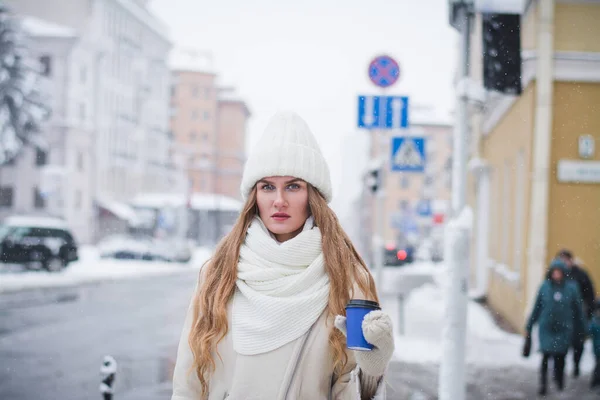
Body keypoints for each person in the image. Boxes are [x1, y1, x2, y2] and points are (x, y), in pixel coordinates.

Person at [171, 111, 395, 400]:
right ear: (255, 196)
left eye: (293, 186)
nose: (279, 200)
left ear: (313, 196)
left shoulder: (348, 279)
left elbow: (349, 388)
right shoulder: (219, 273)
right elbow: (188, 382)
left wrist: (373, 369)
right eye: (267, 187)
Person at [526, 258, 586, 396]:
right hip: (547, 327)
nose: (556, 274)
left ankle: (559, 380)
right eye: (554, 272)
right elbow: (537, 307)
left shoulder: (571, 288)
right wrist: (529, 325)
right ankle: (543, 385)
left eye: (559, 272)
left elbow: (578, 310)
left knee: (560, 357)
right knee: (545, 356)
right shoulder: (545, 287)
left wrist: (582, 328)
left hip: (564, 328)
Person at [557, 249, 596, 377]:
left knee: (578, 344)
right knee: (561, 345)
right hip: (562, 317)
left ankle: (576, 365)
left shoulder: (581, 275)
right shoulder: (557, 276)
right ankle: (560, 370)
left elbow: (590, 295)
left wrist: (587, 311)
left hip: (578, 316)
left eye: (565, 260)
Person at [589, 299, 600, 389]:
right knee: (598, 365)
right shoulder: (594, 321)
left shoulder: (594, 321)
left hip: (597, 348)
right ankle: (595, 381)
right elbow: (589, 331)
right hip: (597, 349)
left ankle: (595, 381)